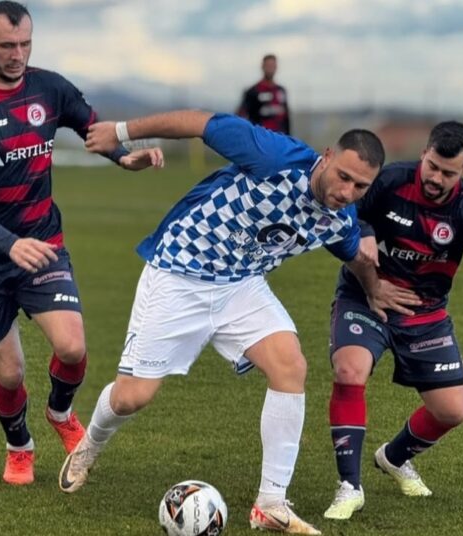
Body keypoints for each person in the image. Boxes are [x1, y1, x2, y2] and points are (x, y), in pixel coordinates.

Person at [58, 109, 385, 534]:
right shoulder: (274, 156)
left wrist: (375, 290)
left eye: (360, 186)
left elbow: (356, 255)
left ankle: (270, 504)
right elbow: (201, 123)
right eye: (343, 177)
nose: (347, 192)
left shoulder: (339, 218)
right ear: (326, 156)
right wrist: (119, 132)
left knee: (290, 366)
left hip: (240, 286)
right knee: (131, 398)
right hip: (179, 272)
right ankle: (90, 445)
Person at [0, 1, 162, 486]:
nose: (18, 55)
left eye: (25, 44)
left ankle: (60, 413)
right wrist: (8, 243)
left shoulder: (49, 88)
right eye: (6, 46)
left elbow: (93, 129)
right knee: (10, 372)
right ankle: (19, 445)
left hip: (42, 244)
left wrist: (125, 157)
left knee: (73, 347)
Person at [322, 121, 463, 520]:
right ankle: (349, 486)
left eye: (448, 173)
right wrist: (365, 230)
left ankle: (394, 458)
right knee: (349, 370)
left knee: (451, 411)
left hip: (424, 312)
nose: (436, 178)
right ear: (424, 154)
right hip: (365, 297)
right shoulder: (390, 180)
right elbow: (345, 210)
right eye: (432, 166)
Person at [237, 54, 291, 134]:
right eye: (268, 65)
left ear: (276, 67)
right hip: (260, 137)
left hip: (279, 137)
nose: (270, 68)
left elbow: (286, 119)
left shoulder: (281, 91)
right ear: (262, 67)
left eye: (272, 65)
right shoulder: (253, 91)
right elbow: (241, 115)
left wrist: (288, 137)